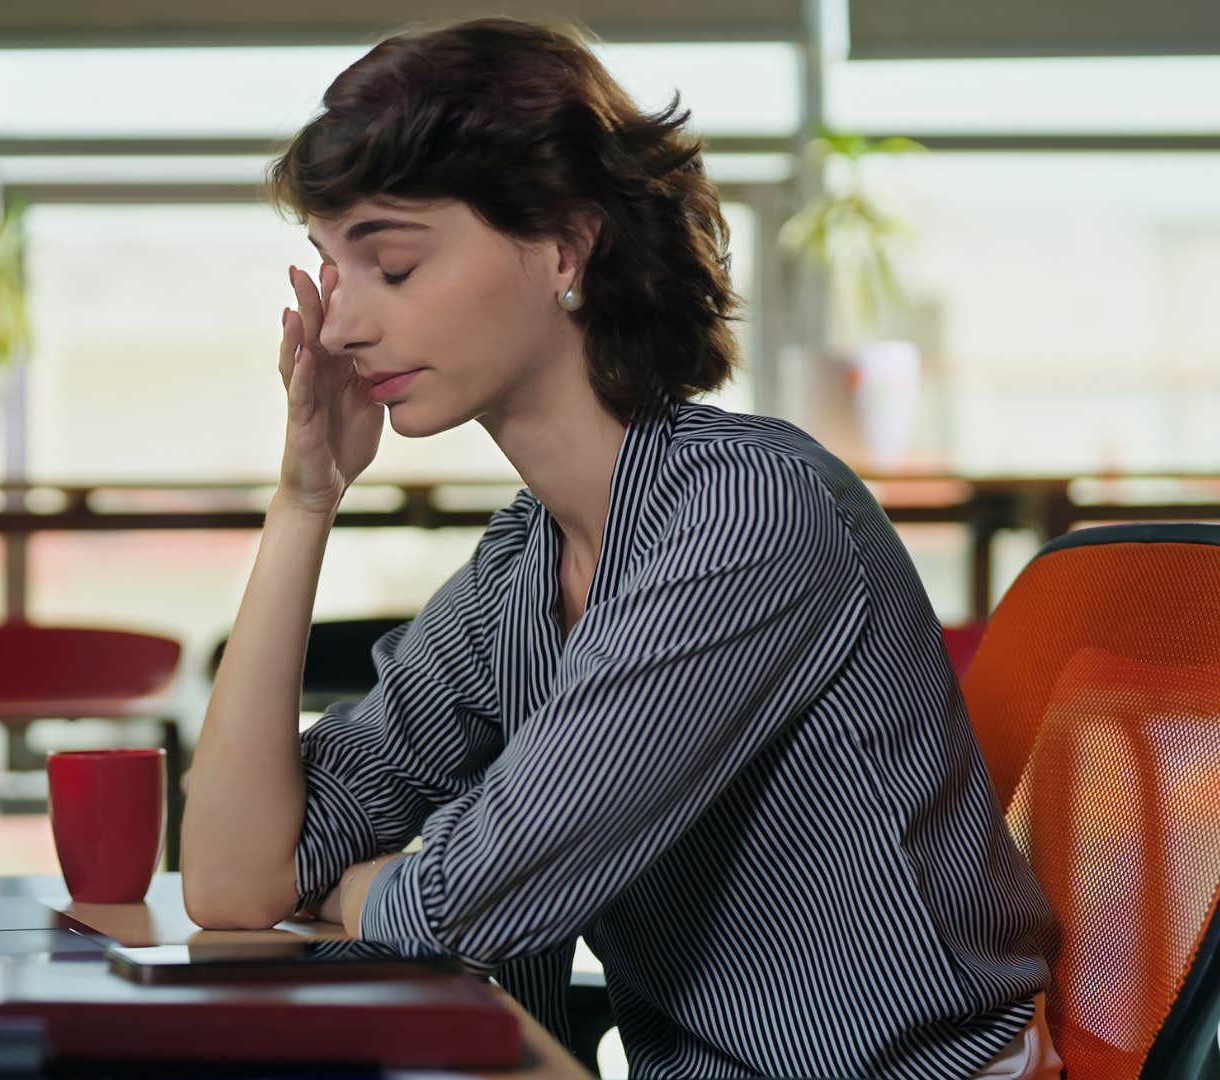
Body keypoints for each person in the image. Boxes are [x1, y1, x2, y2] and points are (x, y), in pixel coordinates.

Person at [178, 17, 1061, 1078]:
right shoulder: (524, 567)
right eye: (331, 269)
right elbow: (232, 881)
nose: (340, 328)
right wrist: (305, 495)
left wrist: (361, 887)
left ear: (564, 246)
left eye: (395, 267)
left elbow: (457, 904)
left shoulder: (750, 518)